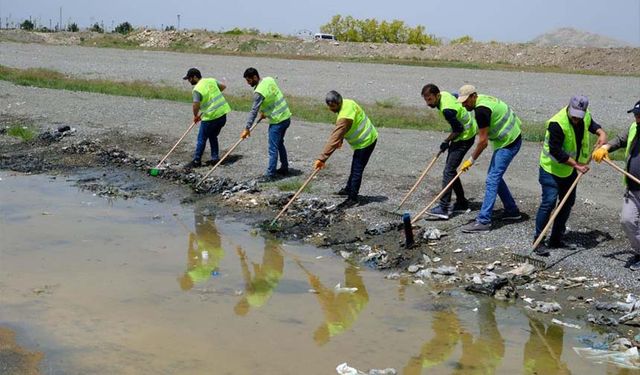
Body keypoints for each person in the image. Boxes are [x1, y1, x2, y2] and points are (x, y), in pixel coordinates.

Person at [534, 96, 607, 256]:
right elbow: (555, 151)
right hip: (551, 169)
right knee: (549, 202)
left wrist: (601, 133)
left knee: (567, 202)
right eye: (573, 116)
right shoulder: (557, 123)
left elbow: (593, 125)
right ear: (568, 108)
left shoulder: (584, 116)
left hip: (570, 172)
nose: (576, 119)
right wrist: (577, 165)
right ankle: (538, 240)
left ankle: (556, 239)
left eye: (579, 116)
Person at [457, 85, 523, 233]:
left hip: (510, 141)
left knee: (492, 179)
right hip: (509, 137)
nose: (464, 104)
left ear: (474, 96)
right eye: (462, 102)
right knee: (495, 177)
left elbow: (483, 142)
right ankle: (512, 211)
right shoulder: (480, 100)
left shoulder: (481, 111)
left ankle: (484, 221)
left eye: (466, 101)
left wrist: (470, 160)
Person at [592, 100, 640, 270]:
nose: (637, 118)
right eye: (635, 114)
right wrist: (605, 147)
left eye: (639, 115)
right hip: (633, 188)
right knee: (627, 221)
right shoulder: (634, 127)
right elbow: (620, 140)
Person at [422, 83, 478, 220]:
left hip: (465, 137)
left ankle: (444, 208)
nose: (428, 103)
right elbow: (456, 97)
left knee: (448, 171)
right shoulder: (446, 94)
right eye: (426, 100)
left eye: (430, 99)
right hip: (466, 133)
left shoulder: (447, 110)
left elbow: (458, 129)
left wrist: (446, 142)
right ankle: (462, 203)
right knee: (451, 170)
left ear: (437, 95)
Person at [313, 91, 378, 208]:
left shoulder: (344, 117)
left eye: (332, 106)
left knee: (357, 169)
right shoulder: (348, 103)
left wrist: (322, 159)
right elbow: (347, 127)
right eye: (329, 106)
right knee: (354, 167)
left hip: (366, 141)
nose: (330, 109)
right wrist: (341, 138)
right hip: (366, 138)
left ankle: (353, 198)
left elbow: (334, 137)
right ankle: (349, 189)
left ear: (339, 102)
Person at [296, 261, 369, 346]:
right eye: (318, 330)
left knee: (352, 271)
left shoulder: (335, 329)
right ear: (321, 331)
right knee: (351, 268)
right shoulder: (334, 323)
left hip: (357, 298)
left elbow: (330, 299)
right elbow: (327, 304)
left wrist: (318, 287)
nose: (318, 327)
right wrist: (316, 286)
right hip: (356, 296)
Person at [240, 68, 292, 181]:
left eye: (249, 80)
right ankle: (284, 167)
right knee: (279, 144)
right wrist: (265, 112)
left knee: (273, 147)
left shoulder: (259, 92)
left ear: (255, 77)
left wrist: (247, 128)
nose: (248, 83)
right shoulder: (269, 79)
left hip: (277, 121)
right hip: (286, 117)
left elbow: (254, 111)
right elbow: (272, 97)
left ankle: (270, 174)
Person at [182, 68, 231, 169]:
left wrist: (195, 116)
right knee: (213, 136)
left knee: (202, 138)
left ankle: (196, 160)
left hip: (211, 117)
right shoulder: (211, 80)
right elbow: (223, 86)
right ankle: (215, 158)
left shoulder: (196, 89)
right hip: (222, 114)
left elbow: (195, 105)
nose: (189, 81)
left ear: (195, 77)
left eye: (190, 78)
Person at [177, 209, 225, 291]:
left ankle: (213, 207)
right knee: (199, 220)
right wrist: (191, 240)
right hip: (205, 243)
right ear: (185, 279)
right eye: (182, 278)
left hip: (217, 248)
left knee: (210, 223)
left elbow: (214, 270)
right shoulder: (191, 271)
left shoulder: (203, 278)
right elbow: (191, 254)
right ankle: (200, 205)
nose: (182, 275)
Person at [234, 239, 284, 316]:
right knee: (270, 242)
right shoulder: (249, 294)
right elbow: (246, 274)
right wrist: (241, 258)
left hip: (278, 271)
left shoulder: (259, 303)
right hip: (270, 268)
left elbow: (263, 284)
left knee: (278, 244)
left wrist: (257, 270)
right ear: (239, 303)